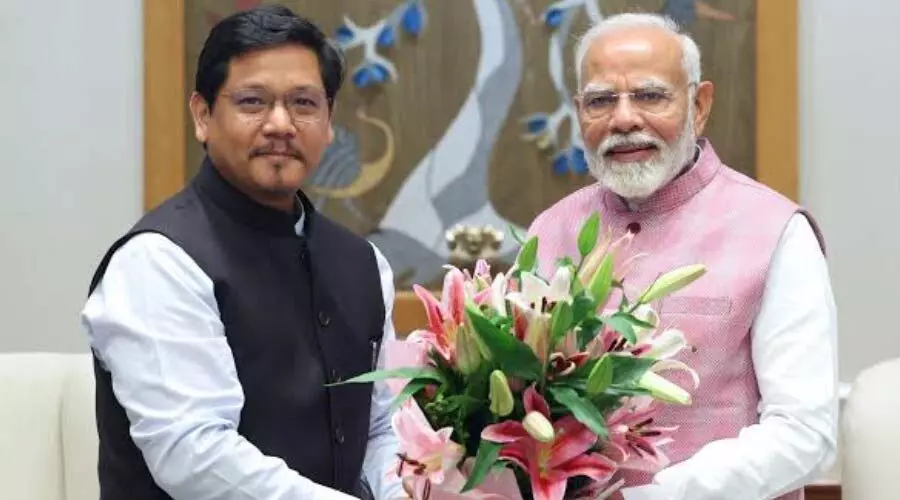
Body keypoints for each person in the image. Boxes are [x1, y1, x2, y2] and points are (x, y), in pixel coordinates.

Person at [81, 6, 403, 500]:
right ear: (203, 115)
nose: (281, 124)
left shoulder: (365, 265)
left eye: (303, 103)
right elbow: (196, 455)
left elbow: (382, 430)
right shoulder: (157, 261)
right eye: (253, 101)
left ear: (329, 121)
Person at [527, 13, 838, 500]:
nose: (624, 119)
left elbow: (804, 433)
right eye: (601, 101)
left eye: (650, 96)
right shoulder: (550, 231)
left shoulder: (777, 231)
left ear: (699, 105)